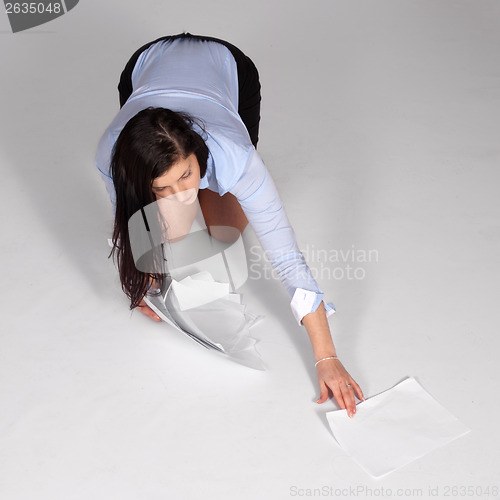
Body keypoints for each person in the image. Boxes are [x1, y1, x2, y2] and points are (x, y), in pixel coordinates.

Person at [95, 33, 364, 417]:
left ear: (197, 154)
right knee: (166, 228)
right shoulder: (111, 155)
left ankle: (196, 181)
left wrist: (326, 356)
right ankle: (168, 190)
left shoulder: (235, 158)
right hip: (145, 63)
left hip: (229, 68)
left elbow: (287, 259)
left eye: (187, 175)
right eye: (162, 186)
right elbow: (127, 219)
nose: (181, 193)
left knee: (222, 236)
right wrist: (144, 280)